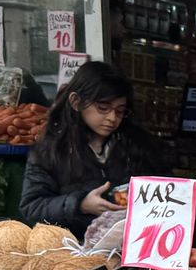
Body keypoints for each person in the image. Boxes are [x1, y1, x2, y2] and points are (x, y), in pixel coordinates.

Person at [19, 62, 161, 234]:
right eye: (103, 108)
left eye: (120, 111)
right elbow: (32, 207)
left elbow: (166, 191)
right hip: (75, 251)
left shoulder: (138, 145)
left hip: (132, 246)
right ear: (76, 102)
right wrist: (80, 205)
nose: (112, 118)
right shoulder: (50, 150)